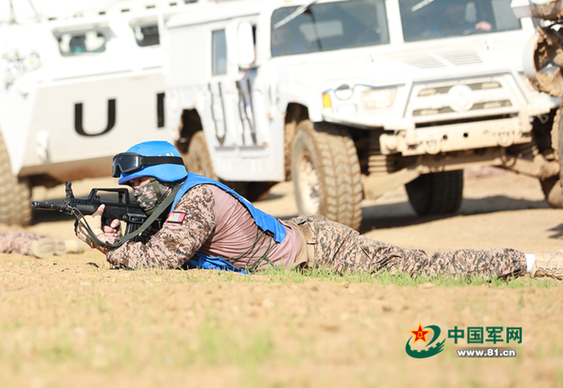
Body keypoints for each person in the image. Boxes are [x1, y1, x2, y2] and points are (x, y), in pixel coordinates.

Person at [75, 140, 563, 281]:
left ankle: (529, 263)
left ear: (163, 178)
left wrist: (106, 245)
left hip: (323, 250)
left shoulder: (195, 200)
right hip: (299, 235)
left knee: (424, 267)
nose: (134, 192)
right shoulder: (179, 198)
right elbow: (164, 245)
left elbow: (160, 260)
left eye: (138, 185)